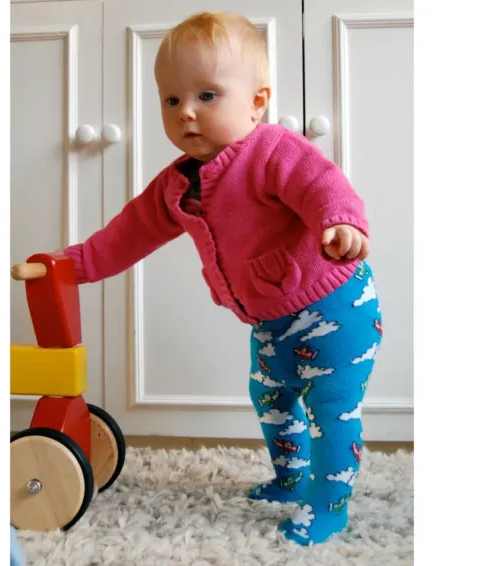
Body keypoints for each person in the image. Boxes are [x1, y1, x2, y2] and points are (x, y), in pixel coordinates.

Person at [62, 11, 382, 546]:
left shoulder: (274, 150)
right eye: (171, 99)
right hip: (270, 321)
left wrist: (341, 222)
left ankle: (329, 504)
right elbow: (125, 236)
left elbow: (322, 185)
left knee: (330, 408)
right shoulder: (175, 186)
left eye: (207, 96)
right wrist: (72, 266)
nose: (186, 112)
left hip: (337, 307)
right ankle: (290, 477)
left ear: (257, 101)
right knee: (271, 397)